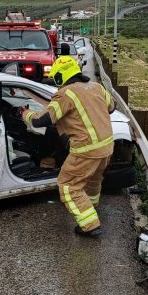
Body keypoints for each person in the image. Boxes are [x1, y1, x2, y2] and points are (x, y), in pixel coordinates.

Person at [20, 56, 115, 236]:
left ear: (60, 77)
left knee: (68, 186)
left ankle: (89, 224)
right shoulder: (97, 87)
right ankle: (90, 205)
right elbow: (111, 107)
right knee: (94, 180)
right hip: (107, 147)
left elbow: (41, 120)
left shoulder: (66, 94)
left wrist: (25, 113)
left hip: (85, 150)